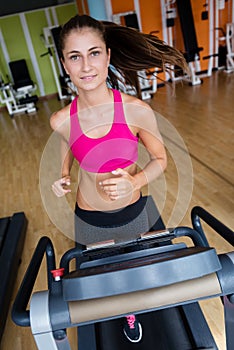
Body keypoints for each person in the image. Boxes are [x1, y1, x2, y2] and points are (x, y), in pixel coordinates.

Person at [51, 14, 187, 343]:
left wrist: (135, 182)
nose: (86, 66)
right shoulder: (60, 120)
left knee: (140, 281)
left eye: (94, 53)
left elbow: (160, 159)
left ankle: (140, 310)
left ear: (108, 56)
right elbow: (67, 146)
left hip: (133, 213)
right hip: (89, 218)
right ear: (65, 65)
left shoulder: (136, 110)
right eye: (75, 56)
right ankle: (125, 314)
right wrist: (63, 174)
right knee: (104, 286)